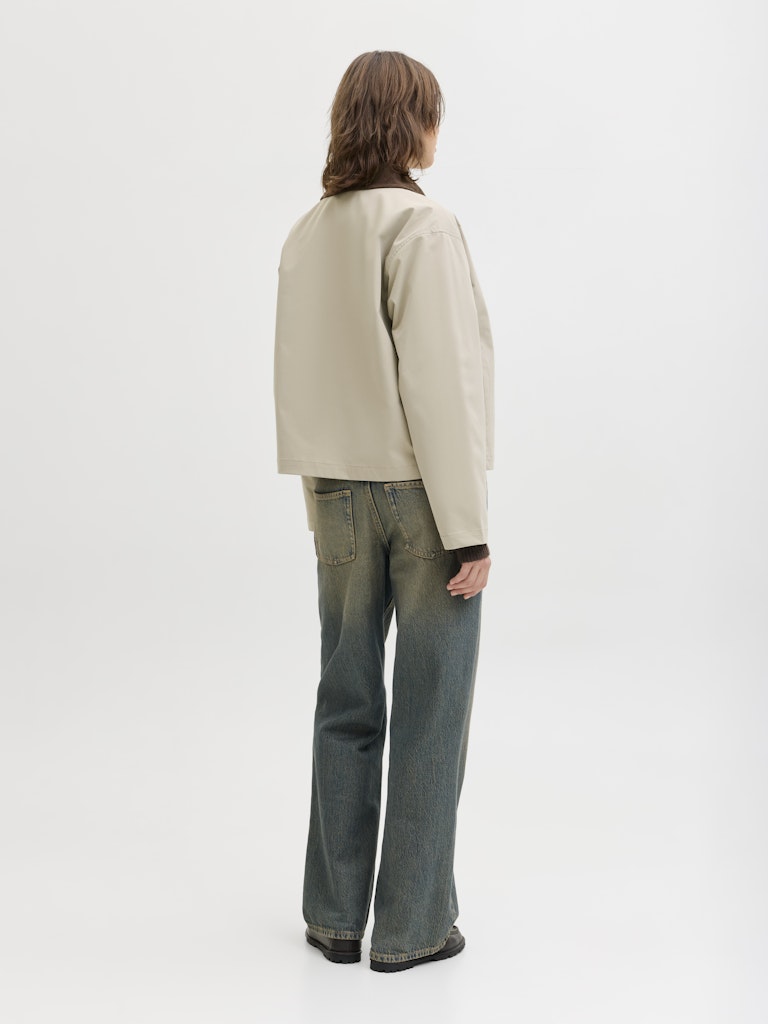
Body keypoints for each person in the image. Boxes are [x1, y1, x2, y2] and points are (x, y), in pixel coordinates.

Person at [273, 50, 495, 972]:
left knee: (346, 697)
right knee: (432, 708)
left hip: (334, 494)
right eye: (432, 113)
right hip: (419, 497)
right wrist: (468, 524)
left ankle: (334, 917)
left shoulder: (308, 232)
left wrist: (320, 490)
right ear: (412, 123)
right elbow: (439, 382)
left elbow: (302, 374)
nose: (439, 130)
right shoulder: (421, 225)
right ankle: (412, 928)